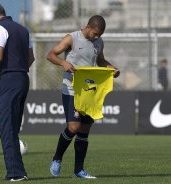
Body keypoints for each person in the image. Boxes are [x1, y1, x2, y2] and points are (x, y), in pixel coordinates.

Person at [46, 15, 120, 179]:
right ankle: (57, 158)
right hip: (71, 88)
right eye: (95, 34)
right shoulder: (71, 38)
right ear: (88, 27)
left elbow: (100, 60)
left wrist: (112, 68)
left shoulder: (99, 42)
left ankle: (79, 170)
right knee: (73, 127)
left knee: (84, 130)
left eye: (99, 35)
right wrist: (63, 63)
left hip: (89, 90)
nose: (96, 37)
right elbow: (51, 55)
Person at [0, 1, 35, 181]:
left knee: (6, 128)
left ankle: (16, 173)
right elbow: (31, 58)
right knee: (12, 128)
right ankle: (18, 171)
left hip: (9, 80)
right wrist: (18, 68)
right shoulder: (23, 30)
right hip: (22, 78)